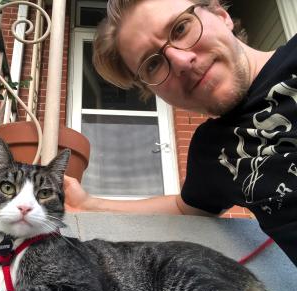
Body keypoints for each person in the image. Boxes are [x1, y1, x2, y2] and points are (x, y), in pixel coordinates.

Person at [64, 0, 297, 266]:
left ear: (222, 15)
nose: (181, 62)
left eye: (181, 28)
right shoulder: (213, 152)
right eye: (153, 65)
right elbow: (183, 208)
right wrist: (88, 204)